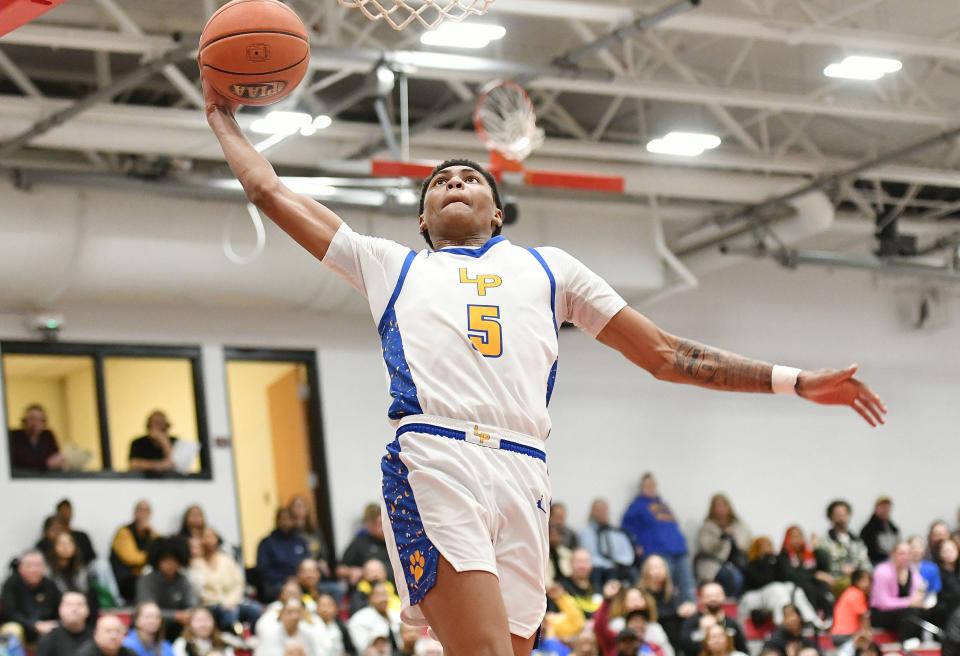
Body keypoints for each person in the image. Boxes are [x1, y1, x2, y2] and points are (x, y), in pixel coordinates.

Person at [204, 79, 886, 656]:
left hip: (526, 472)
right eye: (439, 182)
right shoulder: (392, 266)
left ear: (497, 212)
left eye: (469, 176)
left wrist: (792, 380)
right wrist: (220, 118)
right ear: (422, 220)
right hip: (436, 460)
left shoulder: (551, 269)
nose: (454, 181)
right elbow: (269, 192)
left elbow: (667, 355)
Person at [622, 474, 696, 603]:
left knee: (687, 584)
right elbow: (627, 528)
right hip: (657, 552)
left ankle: (690, 612)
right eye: (647, 485)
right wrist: (635, 545)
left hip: (678, 550)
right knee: (664, 585)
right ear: (642, 487)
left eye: (652, 485)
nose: (650, 488)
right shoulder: (636, 506)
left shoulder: (663, 505)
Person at [740, 536, 823, 630]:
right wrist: (765, 560)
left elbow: (784, 577)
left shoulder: (775, 561)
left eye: (770, 545)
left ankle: (811, 620)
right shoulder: (752, 565)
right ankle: (781, 623)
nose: (769, 548)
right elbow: (763, 581)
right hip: (755, 596)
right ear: (758, 548)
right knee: (777, 589)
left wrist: (776, 560)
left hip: (775, 592)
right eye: (766, 545)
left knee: (794, 588)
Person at [192, 526, 261, 633]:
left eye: (211, 536)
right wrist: (221, 603)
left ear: (217, 539)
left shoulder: (227, 560)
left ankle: (249, 639)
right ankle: (230, 640)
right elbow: (197, 589)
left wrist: (230, 601)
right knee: (230, 614)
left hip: (232, 601)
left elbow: (238, 583)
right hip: (210, 605)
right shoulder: (196, 563)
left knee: (255, 609)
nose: (208, 540)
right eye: (204, 537)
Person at [136, 537, 198, 639]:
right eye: (165, 560)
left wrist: (188, 614)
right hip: (152, 629)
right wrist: (176, 616)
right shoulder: (147, 581)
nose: (170, 565)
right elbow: (146, 610)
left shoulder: (184, 580)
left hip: (178, 630)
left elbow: (192, 605)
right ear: (157, 561)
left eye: (174, 560)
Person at [593, 581, 673, 656]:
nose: (638, 625)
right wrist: (607, 600)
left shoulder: (653, 646)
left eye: (641, 622)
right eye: (634, 621)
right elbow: (600, 627)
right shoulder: (614, 641)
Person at [0, 550, 62, 644]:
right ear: (20, 568)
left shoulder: (50, 585)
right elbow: (9, 613)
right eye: (29, 565)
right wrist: (34, 625)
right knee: (12, 629)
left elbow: (60, 608)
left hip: (47, 628)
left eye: (38, 565)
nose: (34, 569)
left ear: (44, 568)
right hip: (22, 626)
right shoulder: (11, 584)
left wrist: (55, 623)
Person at [694, 494, 750, 598]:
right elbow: (706, 547)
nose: (721, 509)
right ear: (712, 509)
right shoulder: (707, 527)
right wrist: (722, 538)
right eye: (717, 506)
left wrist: (734, 538)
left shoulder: (739, 525)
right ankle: (729, 602)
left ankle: (739, 603)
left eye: (723, 505)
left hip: (738, 563)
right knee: (735, 577)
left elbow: (747, 544)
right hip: (714, 564)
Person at [638, 554, 696, 649]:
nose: (657, 571)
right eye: (653, 567)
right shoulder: (640, 593)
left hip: (673, 638)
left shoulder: (672, 594)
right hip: (648, 639)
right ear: (646, 571)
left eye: (660, 567)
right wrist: (677, 613)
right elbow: (652, 616)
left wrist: (688, 609)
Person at [869, 541, 924, 641]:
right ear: (893, 554)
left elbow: (918, 596)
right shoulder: (882, 571)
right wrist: (909, 602)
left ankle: (917, 643)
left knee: (921, 612)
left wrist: (915, 601)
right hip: (881, 614)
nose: (905, 557)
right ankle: (906, 643)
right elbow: (883, 603)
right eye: (902, 553)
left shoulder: (913, 572)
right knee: (910, 613)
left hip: (904, 612)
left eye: (908, 553)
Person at [777, 526, 834, 617]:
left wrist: (816, 548)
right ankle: (813, 619)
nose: (797, 540)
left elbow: (825, 567)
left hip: (814, 585)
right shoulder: (783, 556)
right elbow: (792, 575)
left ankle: (828, 617)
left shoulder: (808, 554)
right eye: (793, 537)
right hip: (794, 587)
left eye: (799, 536)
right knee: (808, 587)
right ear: (787, 539)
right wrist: (815, 575)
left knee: (823, 586)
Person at [257, 508, 310, 603]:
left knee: (334, 588)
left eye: (288, 519)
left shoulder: (300, 541)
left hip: (301, 581)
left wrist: (299, 578)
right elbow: (263, 569)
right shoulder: (267, 543)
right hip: (277, 583)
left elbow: (308, 562)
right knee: (289, 591)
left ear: (294, 521)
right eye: (282, 519)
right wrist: (286, 578)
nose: (285, 522)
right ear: (277, 521)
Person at [817, 501, 870, 595]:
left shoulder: (857, 541)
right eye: (837, 514)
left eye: (844, 513)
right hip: (836, 580)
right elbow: (823, 566)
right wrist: (841, 569)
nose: (841, 516)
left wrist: (858, 572)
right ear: (831, 516)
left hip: (859, 579)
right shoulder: (824, 541)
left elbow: (866, 563)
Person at [679, 583, 747, 656]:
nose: (713, 599)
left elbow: (743, 648)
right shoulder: (691, 622)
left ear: (724, 597)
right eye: (709, 596)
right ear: (701, 599)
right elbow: (685, 649)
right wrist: (703, 632)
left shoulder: (732, 623)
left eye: (717, 595)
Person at [111, 499, 158, 603]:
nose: (144, 514)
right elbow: (131, 558)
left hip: (143, 575)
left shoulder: (150, 533)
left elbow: (161, 549)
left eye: (147, 511)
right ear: (135, 513)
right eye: (141, 510)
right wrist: (151, 556)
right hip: (125, 579)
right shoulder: (124, 532)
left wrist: (152, 534)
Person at [579, 499, 636, 585]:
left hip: (620, 567)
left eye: (604, 509)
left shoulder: (617, 532)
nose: (602, 513)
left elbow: (628, 553)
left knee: (633, 573)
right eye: (598, 510)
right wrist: (609, 565)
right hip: (599, 569)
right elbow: (590, 556)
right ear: (592, 512)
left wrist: (620, 563)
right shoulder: (586, 532)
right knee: (602, 572)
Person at [45, 531, 98, 621]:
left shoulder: (82, 570)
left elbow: (86, 594)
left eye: (69, 543)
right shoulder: (47, 571)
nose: (66, 547)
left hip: (80, 609)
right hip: (56, 613)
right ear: (54, 547)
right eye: (61, 544)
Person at [338, 505, 390, 587]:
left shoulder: (395, 543)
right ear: (369, 524)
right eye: (379, 523)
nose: (384, 526)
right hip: (368, 591)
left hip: (394, 591)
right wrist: (354, 571)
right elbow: (339, 569)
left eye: (385, 522)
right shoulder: (359, 543)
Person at [255, 599, 329, 656]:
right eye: (290, 612)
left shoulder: (309, 633)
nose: (294, 617)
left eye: (298, 612)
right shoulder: (269, 634)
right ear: (281, 614)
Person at [8, 404, 64, 471]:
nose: (35, 423)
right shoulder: (14, 436)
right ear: (24, 421)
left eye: (40, 420)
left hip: (46, 478)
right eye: (32, 419)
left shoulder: (48, 436)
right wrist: (46, 464)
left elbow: (56, 457)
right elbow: (21, 462)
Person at [346, 583, 399, 655]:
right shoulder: (359, 619)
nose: (383, 599)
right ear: (370, 598)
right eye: (379, 595)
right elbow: (363, 649)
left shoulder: (396, 615)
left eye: (385, 594)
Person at [35, 591, 92, 656]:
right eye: (69, 604)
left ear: (88, 610)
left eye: (79, 604)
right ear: (60, 609)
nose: (74, 609)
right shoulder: (48, 639)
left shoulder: (95, 638)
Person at [558, 548, 601, 618]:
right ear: (570, 563)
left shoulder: (597, 586)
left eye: (586, 561)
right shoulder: (561, 587)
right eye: (579, 562)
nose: (583, 566)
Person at [54, 499, 97, 565]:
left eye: (67, 510)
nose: (65, 513)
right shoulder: (53, 537)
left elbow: (93, 558)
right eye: (63, 510)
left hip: (84, 568)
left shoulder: (82, 536)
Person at [832, 569, 872, 638]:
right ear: (856, 581)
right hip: (847, 634)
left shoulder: (849, 592)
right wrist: (867, 633)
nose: (868, 584)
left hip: (837, 633)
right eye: (864, 581)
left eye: (869, 581)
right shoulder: (857, 594)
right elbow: (864, 616)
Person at [860, 498, 900, 566]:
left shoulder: (893, 528)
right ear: (876, 508)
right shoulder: (869, 528)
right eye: (883, 507)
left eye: (887, 507)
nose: (885, 509)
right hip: (875, 561)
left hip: (892, 560)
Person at [933, 538, 960, 628]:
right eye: (945, 551)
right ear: (940, 554)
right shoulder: (936, 571)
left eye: (952, 550)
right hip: (946, 611)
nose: (949, 553)